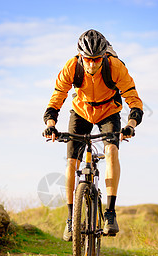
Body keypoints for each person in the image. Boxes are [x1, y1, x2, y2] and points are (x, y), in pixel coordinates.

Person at [43, 29, 143, 241]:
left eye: (96, 59)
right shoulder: (72, 67)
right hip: (81, 112)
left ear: (103, 56)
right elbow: (57, 97)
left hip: (109, 112)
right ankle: (71, 219)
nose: (91, 64)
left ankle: (110, 213)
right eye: (87, 60)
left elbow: (133, 99)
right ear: (80, 57)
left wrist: (130, 125)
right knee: (71, 162)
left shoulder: (115, 67)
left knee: (112, 152)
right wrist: (51, 124)